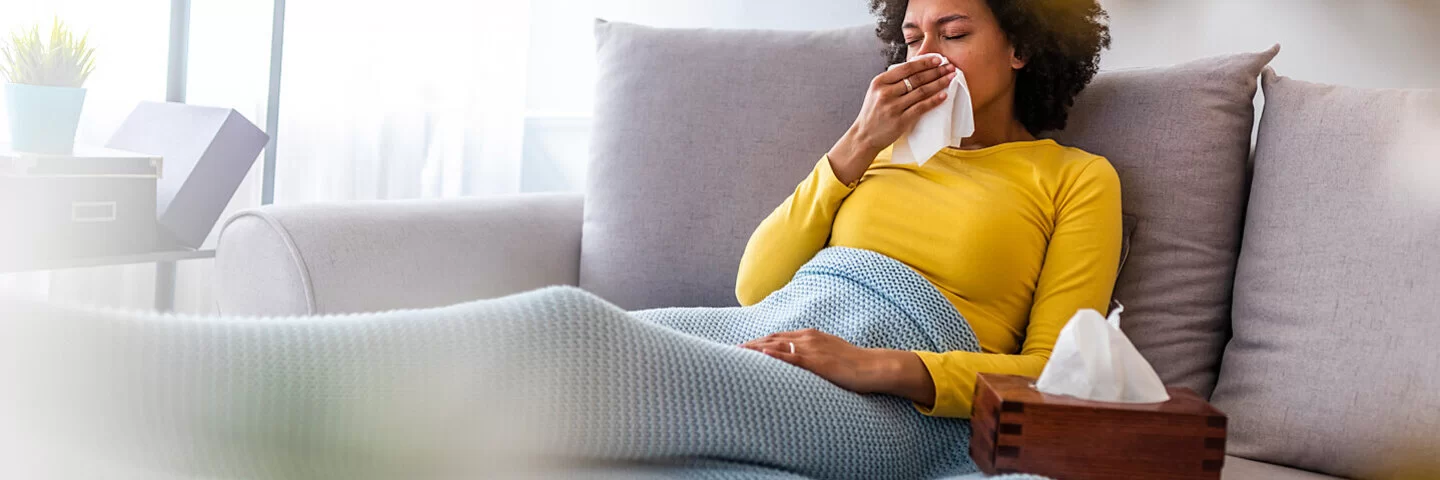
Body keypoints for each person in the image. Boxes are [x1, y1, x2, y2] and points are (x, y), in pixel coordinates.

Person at [736, 0, 1119, 419]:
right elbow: (755, 289)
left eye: (953, 35)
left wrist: (871, 364)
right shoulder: (875, 152)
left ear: (1020, 48)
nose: (924, 57)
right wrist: (860, 140)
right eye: (913, 39)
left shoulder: (1076, 177)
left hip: (890, 405)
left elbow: (1056, 373)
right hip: (771, 345)